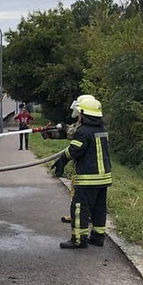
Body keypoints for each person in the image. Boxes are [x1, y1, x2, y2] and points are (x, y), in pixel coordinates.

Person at [51, 97, 111, 249]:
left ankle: (78, 240)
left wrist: (62, 161)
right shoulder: (101, 130)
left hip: (87, 179)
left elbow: (74, 150)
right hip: (103, 178)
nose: (77, 116)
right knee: (99, 208)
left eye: (79, 114)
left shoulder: (83, 132)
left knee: (79, 208)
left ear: (84, 115)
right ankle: (98, 237)